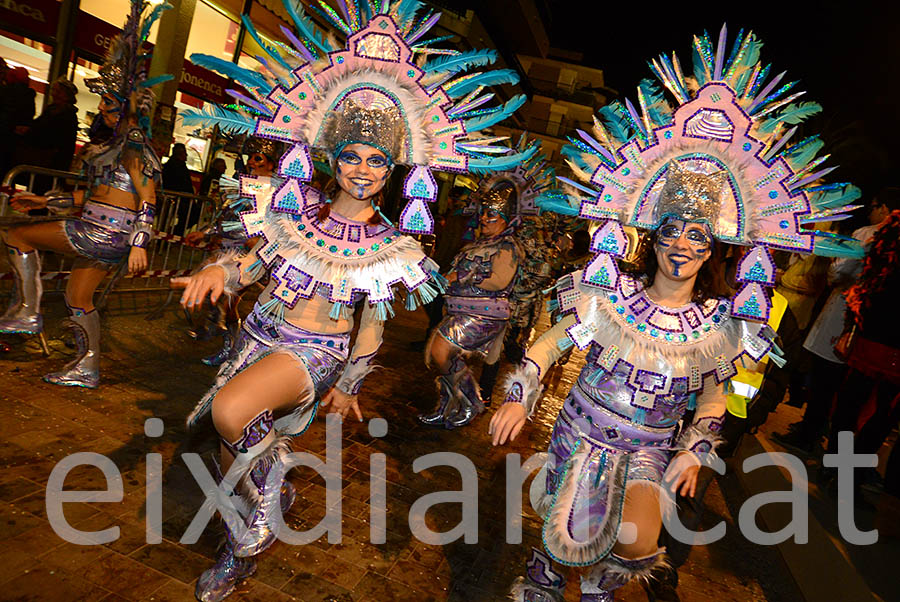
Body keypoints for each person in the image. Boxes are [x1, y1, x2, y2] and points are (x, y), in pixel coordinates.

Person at [489, 26, 863, 601]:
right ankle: (540, 585)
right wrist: (521, 392)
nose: (683, 245)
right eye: (672, 232)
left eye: (698, 236)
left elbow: (716, 393)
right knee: (564, 533)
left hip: (648, 447)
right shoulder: (609, 295)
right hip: (581, 431)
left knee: (637, 544)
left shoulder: (721, 323)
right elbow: (552, 343)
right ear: (654, 236)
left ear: (713, 248)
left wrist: (697, 447)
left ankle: (595, 593)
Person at [177, 2, 531, 598]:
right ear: (331, 157)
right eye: (351, 155)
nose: (362, 169)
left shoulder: (393, 245)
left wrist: (350, 383)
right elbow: (248, 262)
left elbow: (370, 326)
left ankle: (263, 510)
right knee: (227, 456)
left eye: (376, 160)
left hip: (312, 354)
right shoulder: (292, 218)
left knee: (232, 414)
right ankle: (242, 545)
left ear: (392, 170)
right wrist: (217, 271)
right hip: (256, 339)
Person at [0, 3, 167, 388]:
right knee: (79, 296)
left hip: (104, 235)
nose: (103, 108)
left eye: (109, 101)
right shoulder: (115, 146)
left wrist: (141, 244)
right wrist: (43, 203)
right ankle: (87, 367)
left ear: (127, 106)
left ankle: (27, 310)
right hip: (100, 230)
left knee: (16, 235)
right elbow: (90, 198)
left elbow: (148, 196)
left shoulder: (135, 145)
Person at [773, 190, 898, 455]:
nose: (870, 212)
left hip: (852, 320)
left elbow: (838, 270)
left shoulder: (869, 235)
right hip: (876, 333)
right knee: (870, 403)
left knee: (831, 385)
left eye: (874, 206)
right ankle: (841, 460)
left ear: (886, 209)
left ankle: (815, 439)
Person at [418, 183, 521, 428]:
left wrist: (461, 278)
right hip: (460, 310)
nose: (484, 218)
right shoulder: (476, 245)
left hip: (485, 315)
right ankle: (446, 406)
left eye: (491, 214)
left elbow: (499, 281)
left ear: (506, 219)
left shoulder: (507, 246)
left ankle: (471, 402)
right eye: (483, 213)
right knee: (441, 355)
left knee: (441, 350)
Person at [20, 77, 80, 194]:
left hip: (52, 162)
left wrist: (30, 132)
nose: (54, 94)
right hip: (43, 161)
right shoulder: (52, 110)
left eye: (58, 91)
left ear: (66, 95)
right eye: (54, 90)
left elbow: (51, 135)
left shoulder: (67, 115)